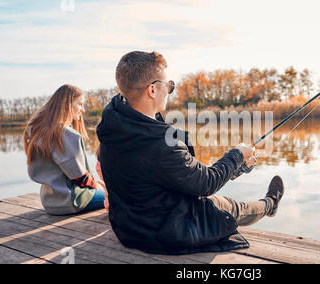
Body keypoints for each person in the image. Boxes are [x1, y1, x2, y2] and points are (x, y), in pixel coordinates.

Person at [96, 51, 285, 255]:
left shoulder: (113, 129)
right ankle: (270, 204)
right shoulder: (160, 144)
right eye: (168, 85)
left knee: (219, 203)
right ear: (152, 90)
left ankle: (269, 203)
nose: (169, 90)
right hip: (163, 233)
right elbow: (206, 183)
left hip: (128, 230)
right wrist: (238, 155)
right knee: (228, 207)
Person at [23, 84, 105, 215]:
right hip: (73, 201)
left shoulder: (38, 130)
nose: (83, 110)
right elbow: (81, 178)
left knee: (103, 186)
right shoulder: (67, 134)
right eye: (80, 104)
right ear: (67, 104)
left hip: (49, 201)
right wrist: (98, 186)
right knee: (117, 197)